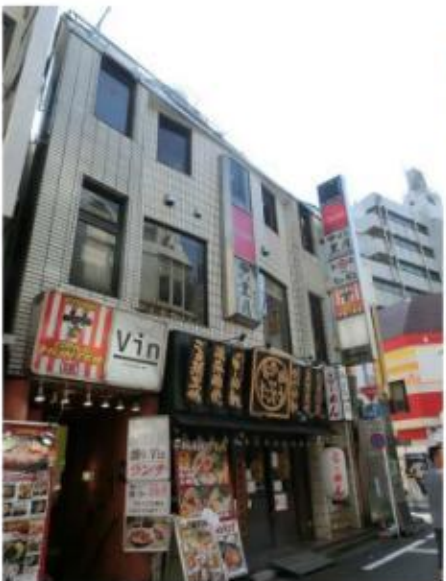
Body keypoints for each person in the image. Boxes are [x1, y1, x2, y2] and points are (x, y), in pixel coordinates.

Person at [424, 440, 443, 581]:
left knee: (441, 550)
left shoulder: (428, 475)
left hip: (437, 521)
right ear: (436, 457)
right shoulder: (440, 474)